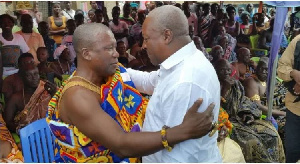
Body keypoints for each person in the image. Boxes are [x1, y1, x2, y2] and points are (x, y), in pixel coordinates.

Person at [46, 23, 216, 163]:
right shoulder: (78, 96)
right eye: (109, 49)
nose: (117, 53)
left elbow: (150, 80)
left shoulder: (111, 73)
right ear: (86, 54)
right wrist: (184, 131)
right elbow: (121, 145)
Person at [127, 5, 221, 162]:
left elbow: (180, 157)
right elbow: (149, 81)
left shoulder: (185, 81)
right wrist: (117, 70)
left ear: (166, 36)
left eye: (146, 38)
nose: (143, 45)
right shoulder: (183, 63)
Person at [215, 59, 285, 163]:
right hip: (226, 123)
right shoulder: (213, 86)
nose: (226, 73)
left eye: (228, 70)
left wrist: (247, 113)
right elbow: (219, 109)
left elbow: (243, 101)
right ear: (215, 71)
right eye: (222, 70)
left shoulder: (236, 84)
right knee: (253, 142)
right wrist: (225, 89)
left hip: (241, 118)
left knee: (271, 133)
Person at [4, 65, 56, 133]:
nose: (34, 78)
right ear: (22, 78)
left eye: (36, 74)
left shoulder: (48, 91)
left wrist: (54, 95)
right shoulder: (15, 98)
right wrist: (21, 130)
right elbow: (7, 122)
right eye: (29, 75)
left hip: (49, 132)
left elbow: (61, 113)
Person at [277, 34, 300, 162]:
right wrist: (293, 73)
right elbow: (281, 68)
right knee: (293, 151)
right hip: (295, 111)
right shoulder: (297, 42)